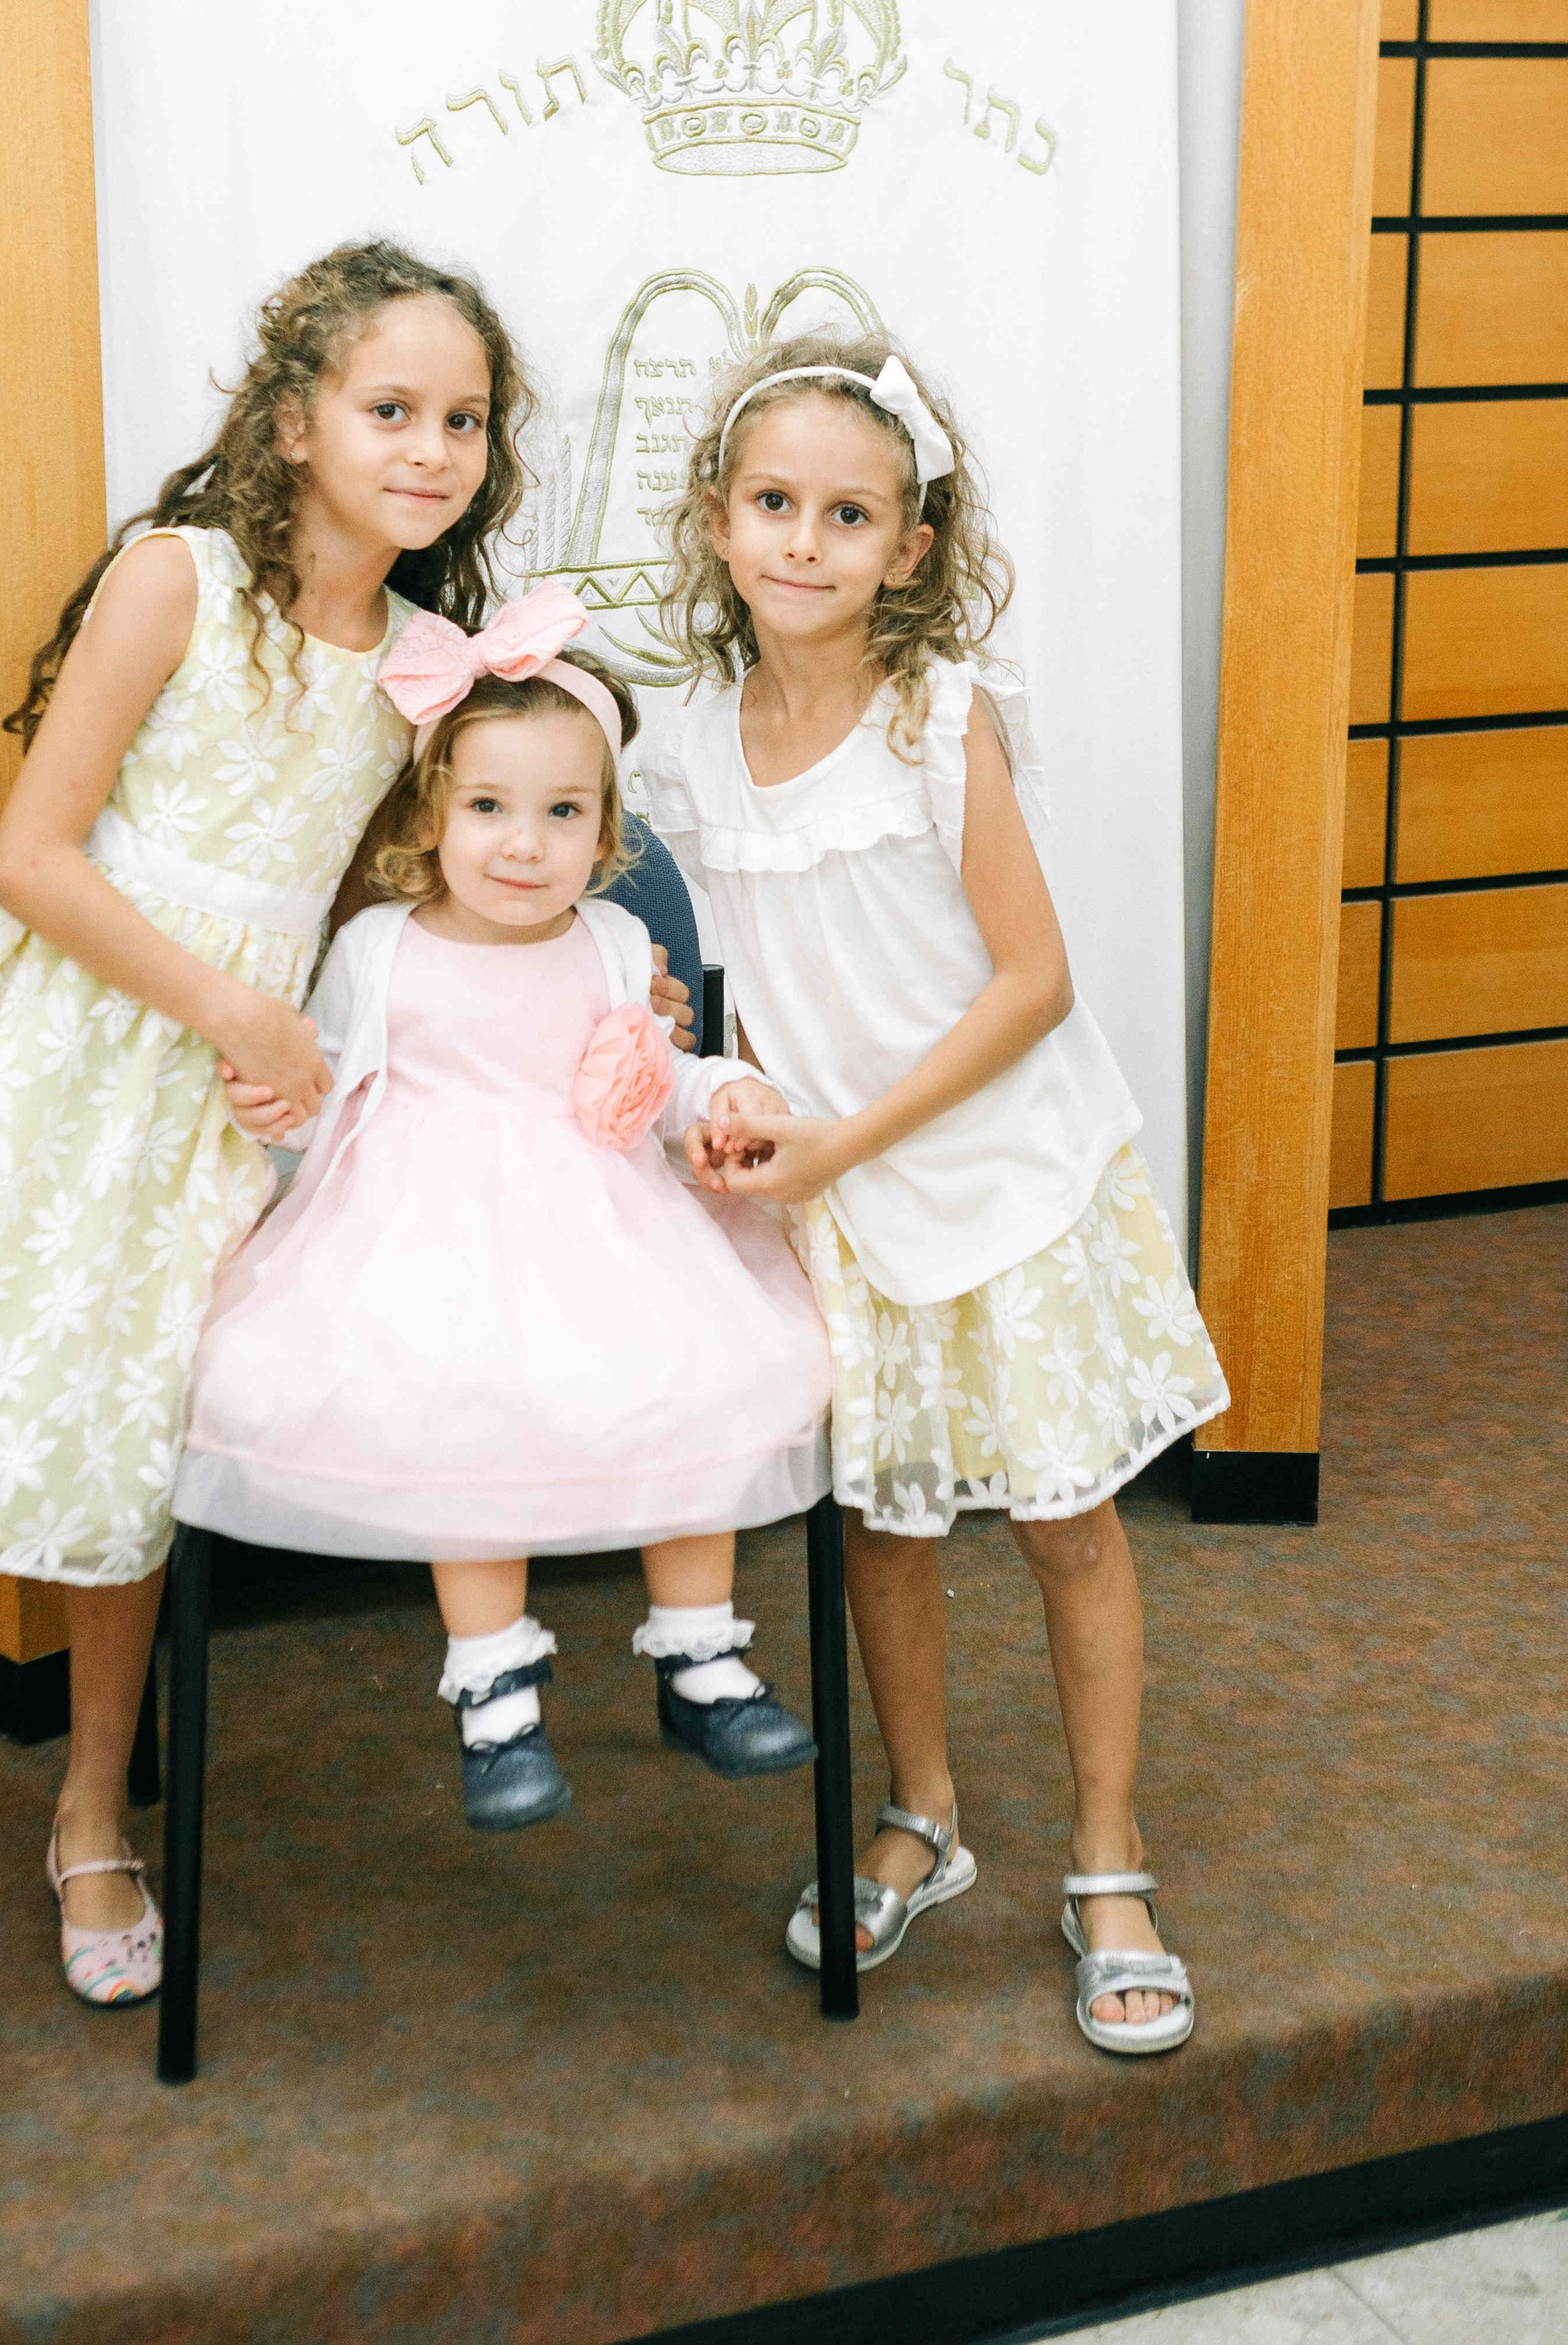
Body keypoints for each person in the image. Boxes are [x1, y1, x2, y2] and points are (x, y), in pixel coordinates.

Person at [0, 240, 538, 2077]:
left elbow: (376, 889)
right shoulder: (177, 580)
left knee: (134, 1454)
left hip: (212, 1101)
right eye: (391, 408)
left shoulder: (418, 662)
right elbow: (31, 858)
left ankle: (88, 1813)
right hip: (49, 1048)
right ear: (292, 420)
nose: (430, 449)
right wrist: (230, 1010)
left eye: (463, 420)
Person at [643, 333, 1228, 2055]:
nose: (804, 540)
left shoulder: (936, 715)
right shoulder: (687, 742)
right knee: (881, 1524)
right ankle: (922, 1812)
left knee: (1062, 1521)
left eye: (848, 515)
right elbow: (742, 978)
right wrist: (733, 1090)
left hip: (1004, 1176)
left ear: (908, 548)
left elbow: (1031, 983)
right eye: (773, 503)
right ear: (716, 519)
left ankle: (1107, 1856)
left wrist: (846, 1138)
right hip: (840, 1199)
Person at [175, 585, 833, 1830]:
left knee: (696, 1374)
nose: (523, 845)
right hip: (419, 1237)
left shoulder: (612, 944)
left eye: (562, 812)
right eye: (488, 808)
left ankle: (700, 1656)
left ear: (604, 829)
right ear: (433, 814)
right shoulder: (379, 948)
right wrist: (275, 1107)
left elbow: (656, 1076)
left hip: (607, 1229)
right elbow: (327, 1087)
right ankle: (494, 1692)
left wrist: (725, 1089)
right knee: (458, 1412)